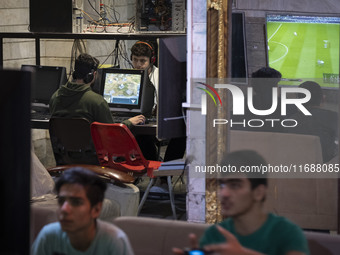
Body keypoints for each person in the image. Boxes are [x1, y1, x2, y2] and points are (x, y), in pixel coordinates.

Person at [173, 150, 309, 255]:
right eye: (222, 185)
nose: (224, 193)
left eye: (235, 185)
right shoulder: (215, 234)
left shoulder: (286, 232)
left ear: (259, 192)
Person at [32, 167, 135, 255]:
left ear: (96, 210)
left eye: (76, 202)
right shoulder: (48, 236)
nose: (64, 209)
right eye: (62, 201)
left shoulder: (114, 240)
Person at [49, 53, 145, 127]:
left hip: (63, 152)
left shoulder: (55, 97)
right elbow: (111, 132)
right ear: (92, 75)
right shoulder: (96, 101)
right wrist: (129, 122)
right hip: (91, 152)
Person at [286, 81, 338, 162]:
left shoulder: (289, 121)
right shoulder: (334, 117)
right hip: (326, 167)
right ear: (323, 99)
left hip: (297, 166)